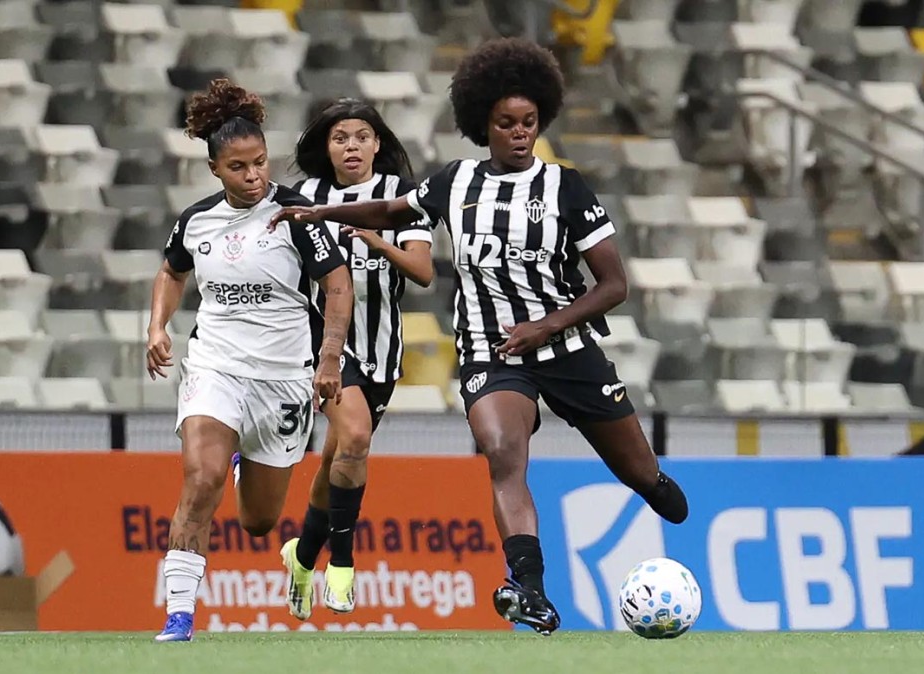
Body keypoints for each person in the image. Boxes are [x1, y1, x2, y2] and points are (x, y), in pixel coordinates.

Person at [270, 38, 689, 636]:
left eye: (529, 122)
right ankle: (529, 588)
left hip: (567, 349)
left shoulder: (565, 188)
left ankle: (652, 481)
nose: (520, 134)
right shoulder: (456, 181)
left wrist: (545, 325)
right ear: (482, 124)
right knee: (501, 452)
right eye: (506, 123)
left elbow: (614, 285)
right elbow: (392, 211)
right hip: (491, 353)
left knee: (644, 478)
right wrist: (322, 214)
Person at [145, 79, 353, 643]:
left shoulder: (295, 215)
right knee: (201, 478)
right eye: (238, 167)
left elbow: (338, 286)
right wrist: (158, 325)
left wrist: (329, 359)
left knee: (259, 521)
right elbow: (171, 271)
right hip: (215, 365)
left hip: (283, 379)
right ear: (215, 168)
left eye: (260, 162)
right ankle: (179, 615)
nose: (254, 175)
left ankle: (244, 462)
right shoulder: (196, 221)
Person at [272, 98, 434, 620]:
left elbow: (423, 272)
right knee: (357, 437)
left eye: (362, 136)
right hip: (323, 345)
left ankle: (301, 556)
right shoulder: (304, 199)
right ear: (326, 146)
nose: (352, 147)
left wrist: (376, 242)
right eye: (340, 137)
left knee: (340, 455)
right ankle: (341, 564)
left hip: (382, 348)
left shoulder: (401, 197)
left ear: (377, 143)